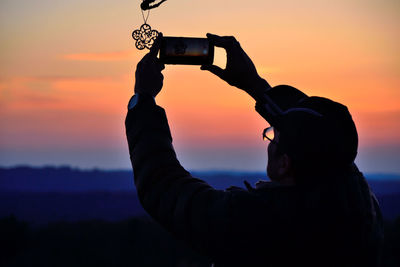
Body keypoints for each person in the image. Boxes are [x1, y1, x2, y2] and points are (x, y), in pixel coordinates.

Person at [125, 33, 384, 266]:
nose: (269, 141)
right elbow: (331, 143)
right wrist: (253, 83)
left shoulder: (254, 221)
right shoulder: (361, 214)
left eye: (272, 136)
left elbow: (164, 187)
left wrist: (143, 101)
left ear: (285, 163)